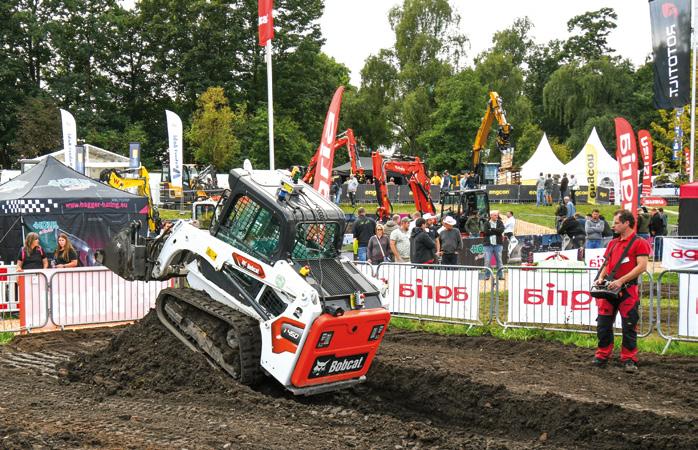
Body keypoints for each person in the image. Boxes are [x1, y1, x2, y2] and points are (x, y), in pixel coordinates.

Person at [593, 209, 651, 373]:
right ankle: (602, 355)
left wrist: (621, 281)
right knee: (603, 324)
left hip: (628, 291)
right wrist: (600, 278)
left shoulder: (640, 242)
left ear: (627, 223)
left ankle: (629, 358)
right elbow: (606, 264)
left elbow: (642, 267)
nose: (613, 226)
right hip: (608, 290)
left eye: (617, 223)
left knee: (629, 325)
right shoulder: (612, 243)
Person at [482, 211, 505, 280]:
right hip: (488, 245)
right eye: (495, 215)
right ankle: (487, 276)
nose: (496, 216)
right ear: (491, 216)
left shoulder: (500, 222)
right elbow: (486, 232)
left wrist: (492, 229)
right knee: (487, 261)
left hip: (498, 244)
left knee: (499, 260)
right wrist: (496, 231)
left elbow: (501, 230)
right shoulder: (486, 223)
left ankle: (501, 276)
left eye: (497, 215)